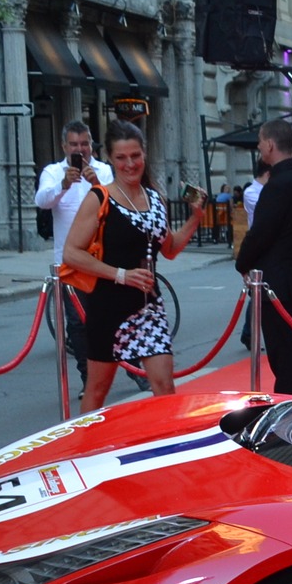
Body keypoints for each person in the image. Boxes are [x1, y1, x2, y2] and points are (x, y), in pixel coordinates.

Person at [63, 120, 204, 413]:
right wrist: (121, 274)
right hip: (109, 308)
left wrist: (195, 218)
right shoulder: (99, 197)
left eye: (135, 156)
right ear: (111, 160)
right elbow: (71, 254)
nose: (130, 164)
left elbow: (170, 248)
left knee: (165, 388)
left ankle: (165, 452)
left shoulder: (155, 198)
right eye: (121, 158)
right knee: (97, 391)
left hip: (148, 307)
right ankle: (82, 452)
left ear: (144, 154)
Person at [34, 122, 127, 390]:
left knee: (112, 317)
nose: (80, 149)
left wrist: (95, 182)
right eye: (74, 145)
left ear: (91, 145)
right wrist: (64, 185)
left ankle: (129, 367)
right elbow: (41, 201)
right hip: (70, 261)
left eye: (84, 144)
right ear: (64, 147)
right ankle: (88, 376)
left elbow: (116, 204)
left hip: (102, 258)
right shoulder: (53, 172)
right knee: (77, 323)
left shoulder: (104, 170)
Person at [234, 118, 292, 395]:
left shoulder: (278, 185)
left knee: (281, 349)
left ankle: (290, 399)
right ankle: (291, 394)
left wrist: (242, 262)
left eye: (260, 142)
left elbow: (260, 233)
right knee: (285, 344)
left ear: (269, 144)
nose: (258, 147)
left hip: (273, 278)